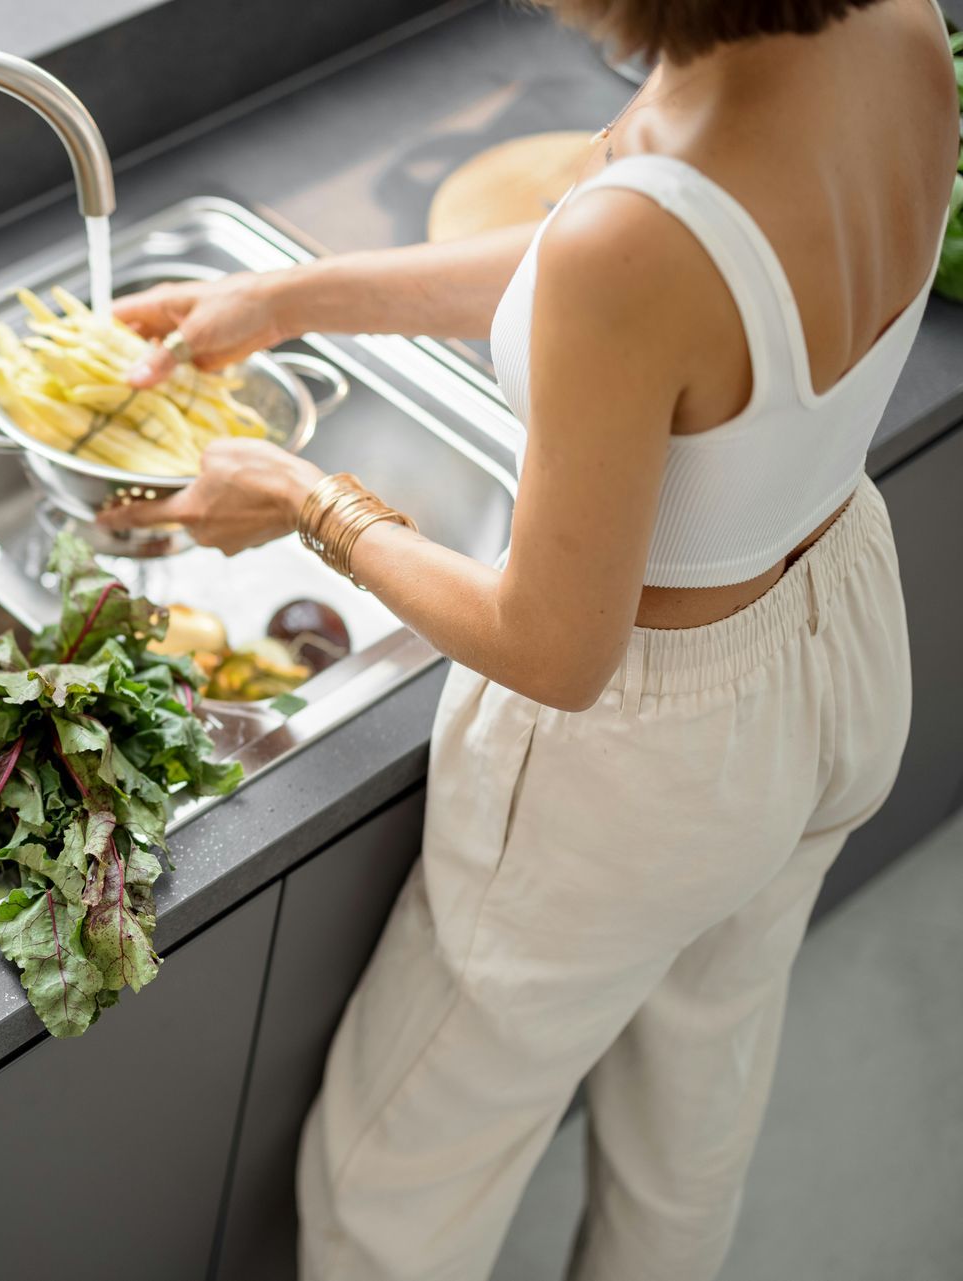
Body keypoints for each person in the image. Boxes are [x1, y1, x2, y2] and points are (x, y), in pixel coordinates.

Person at [99, 0, 959, 1276]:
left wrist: (303, 500)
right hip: (838, 633)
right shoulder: (897, 32)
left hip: (643, 770)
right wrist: (290, 299)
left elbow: (556, 649)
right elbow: (609, 280)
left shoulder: (644, 235)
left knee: (392, 1187)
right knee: (695, 1099)